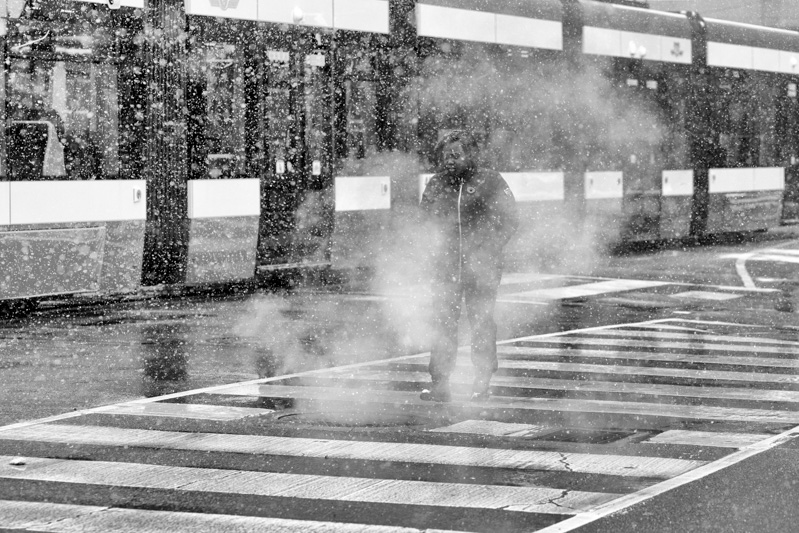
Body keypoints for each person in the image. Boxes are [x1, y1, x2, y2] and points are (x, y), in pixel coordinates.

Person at [419, 130, 518, 402]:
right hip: (445, 270)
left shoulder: (491, 180)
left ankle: (481, 381)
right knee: (442, 324)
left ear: (470, 155)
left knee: (482, 324)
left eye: (455, 155)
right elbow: (424, 221)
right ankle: (439, 383)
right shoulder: (436, 184)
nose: (449, 160)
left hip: (481, 270)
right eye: (445, 156)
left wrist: (487, 250)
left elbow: (510, 219)